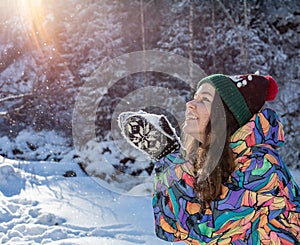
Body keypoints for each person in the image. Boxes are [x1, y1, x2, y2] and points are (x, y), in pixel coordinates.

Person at [118, 73, 300, 244]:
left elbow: (211, 232)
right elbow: (171, 228)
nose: (190, 104)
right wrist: (168, 160)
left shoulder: (261, 164)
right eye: (194, 97)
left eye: (204, 99)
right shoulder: (212, 162)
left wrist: (169, 158)